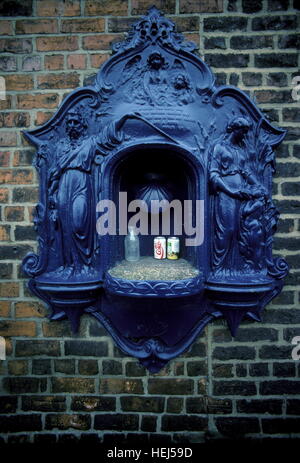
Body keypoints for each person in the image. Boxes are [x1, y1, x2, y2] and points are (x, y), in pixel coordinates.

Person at [209, 116, 267, 275]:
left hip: (242, 194)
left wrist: (258, 186)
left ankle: (235, 267)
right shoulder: (219, 148)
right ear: (235, 129)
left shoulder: (240, 149)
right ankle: (218, 267)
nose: (245, 135)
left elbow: (246, 171)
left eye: (247, 132)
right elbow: (213, 174)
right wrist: (230, 190)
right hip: (227, 195)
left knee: (240, 231)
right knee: (227, 229)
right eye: (243, 131)